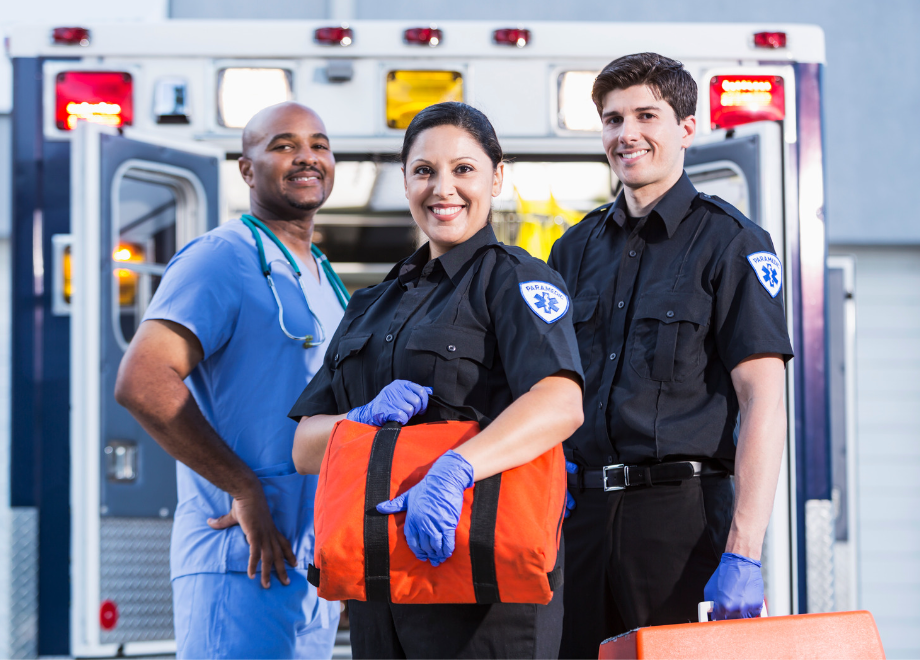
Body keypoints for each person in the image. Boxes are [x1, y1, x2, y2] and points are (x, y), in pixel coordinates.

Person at [288, 101, 585, 659]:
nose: (442, 188)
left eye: (464, 169)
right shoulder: (371, 305)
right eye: (424, 171)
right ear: (405, 182)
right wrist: (357, 422)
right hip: (382, 588)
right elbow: (305, 447)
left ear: (497, 177)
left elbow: (561, 402)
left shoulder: (515, 279)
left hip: (483, 589)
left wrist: (455, 468)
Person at [548, 53, 794, 658]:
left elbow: (763, 399)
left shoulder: (731, 242)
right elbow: (547, 392)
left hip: (681, 525)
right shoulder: (572, 250)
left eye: (645, 115)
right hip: (580, 523)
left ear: (687, 128)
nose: (625, 133)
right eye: (611, 120)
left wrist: (743, 551)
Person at [114, 102, 347, 659]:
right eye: (284, 145)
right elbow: (143, 381)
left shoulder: (320, 275)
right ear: (246, 169)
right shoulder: (222, 257)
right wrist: (243, 486)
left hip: (310, 565)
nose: (307, 157)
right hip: (239, 557)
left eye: (319, 144)